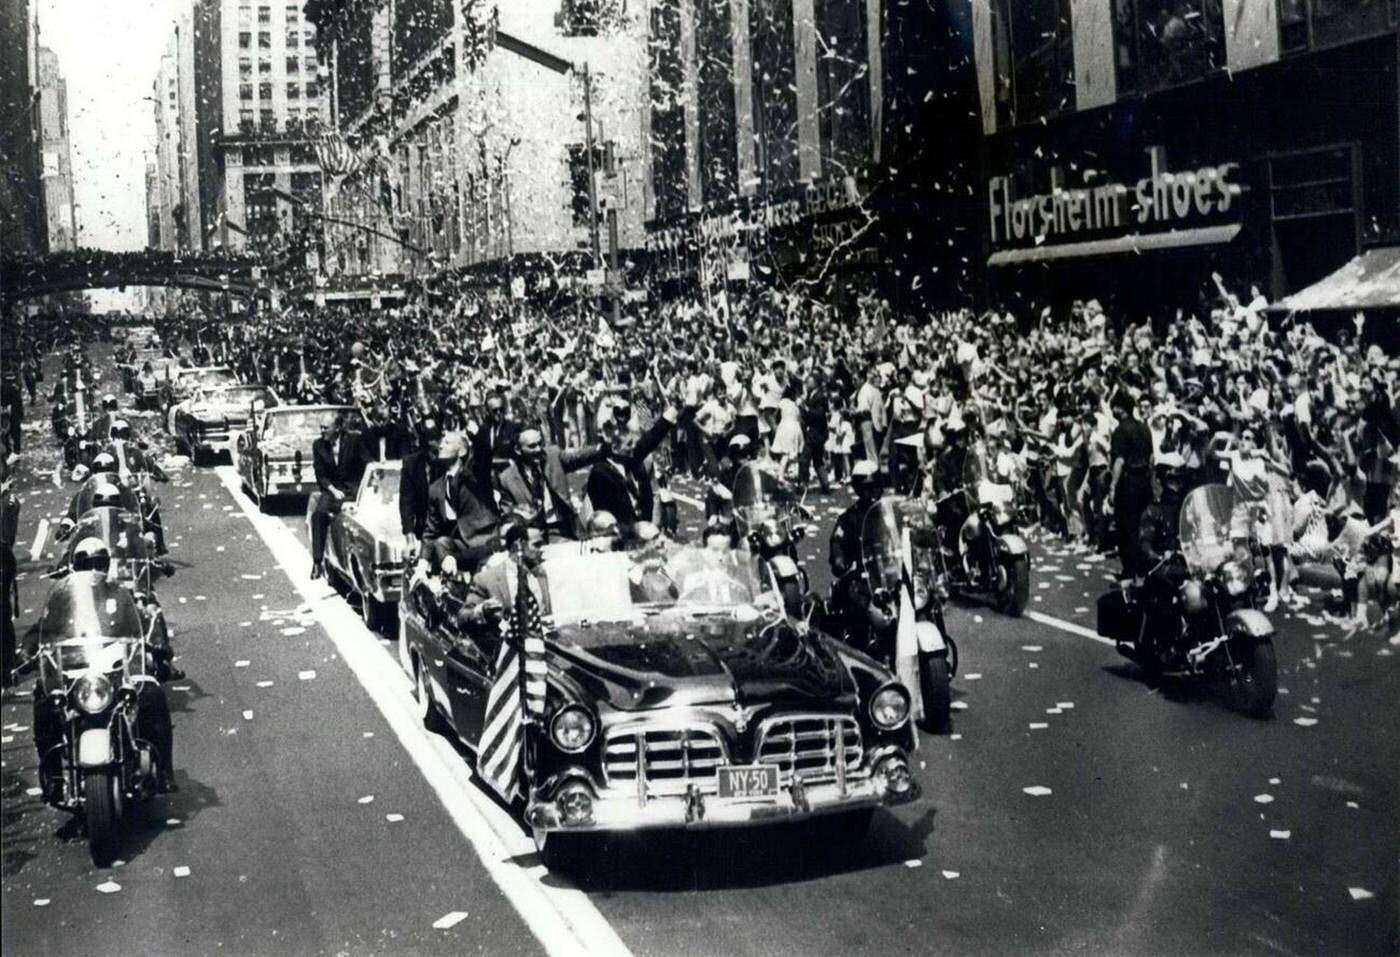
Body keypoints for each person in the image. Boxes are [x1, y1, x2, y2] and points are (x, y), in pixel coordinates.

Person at [495, 427, 603, 540]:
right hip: (532, 535)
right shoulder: (506, 478)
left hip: (564, 527)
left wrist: (604, 448)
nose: (538, 449)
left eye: (540, 444)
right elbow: (508, 516)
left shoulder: (553, 455)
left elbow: (578, 457)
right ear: (518, 449)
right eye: (532, 446)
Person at [422, 431, 501, 576]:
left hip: (486, 542)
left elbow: (484, 456)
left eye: (447, 443)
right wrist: (422, 565)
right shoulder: (435, 488)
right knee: (441, 543)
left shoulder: (474, 476)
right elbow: (431, 530)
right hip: (462, 545)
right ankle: (456, 585)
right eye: (442, 442)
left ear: (462, 451)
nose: (440, 446)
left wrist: (477, 434)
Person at [309, 412, 369, 579]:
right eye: (321, 427)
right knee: (319, 515)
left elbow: (368, 464)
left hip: (354, 489)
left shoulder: (354, 440)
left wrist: (363, 489)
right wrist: (333, 490)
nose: (322, 431)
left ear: (337, 428)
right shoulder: (318, 445)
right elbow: (320, 474)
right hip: (332, 490)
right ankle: (317, 562)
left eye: (326, 428)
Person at [1107, 393, 1154, 576]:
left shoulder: (1120, 431)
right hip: (1144, 482)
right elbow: (1151, 459)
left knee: (1126, 528)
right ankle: (1141, 568)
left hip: (1128, 483)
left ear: (1119, 408)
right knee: (1140, 526)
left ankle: (1130, 570)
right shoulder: (1144, 428)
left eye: (1114, 407)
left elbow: (1119, 461)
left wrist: (1112, 487)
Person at [399, 417, 442, 555]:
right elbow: (406, 504)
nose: (435, 456)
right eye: (431, 450)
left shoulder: (447, 462)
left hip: (447, 530)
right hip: (423, 531)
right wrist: (410, 540)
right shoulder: (411, 465)